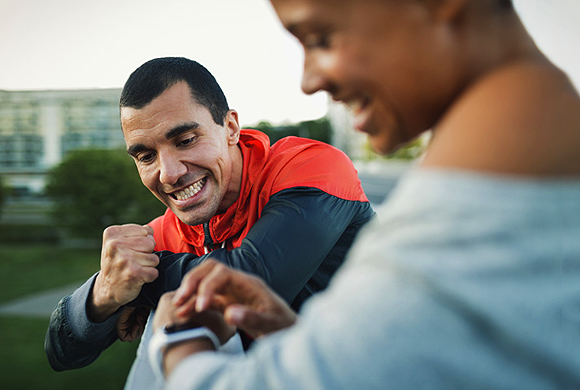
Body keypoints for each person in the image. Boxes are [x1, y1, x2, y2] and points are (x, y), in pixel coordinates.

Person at [149, 0, 580, 388]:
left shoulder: (472, 213)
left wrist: (180, 341)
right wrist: (300, 336)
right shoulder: (532, 159)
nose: (309, 80)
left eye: (321, 38)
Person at [44, 57, 376, 386]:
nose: (169, 173)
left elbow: (255, 279)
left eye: (186, 140)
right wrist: (104, 292)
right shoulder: (167, 232)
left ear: (231, 127)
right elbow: (62, 352)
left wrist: (140, 287)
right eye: (146, 156)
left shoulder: (312, 166)